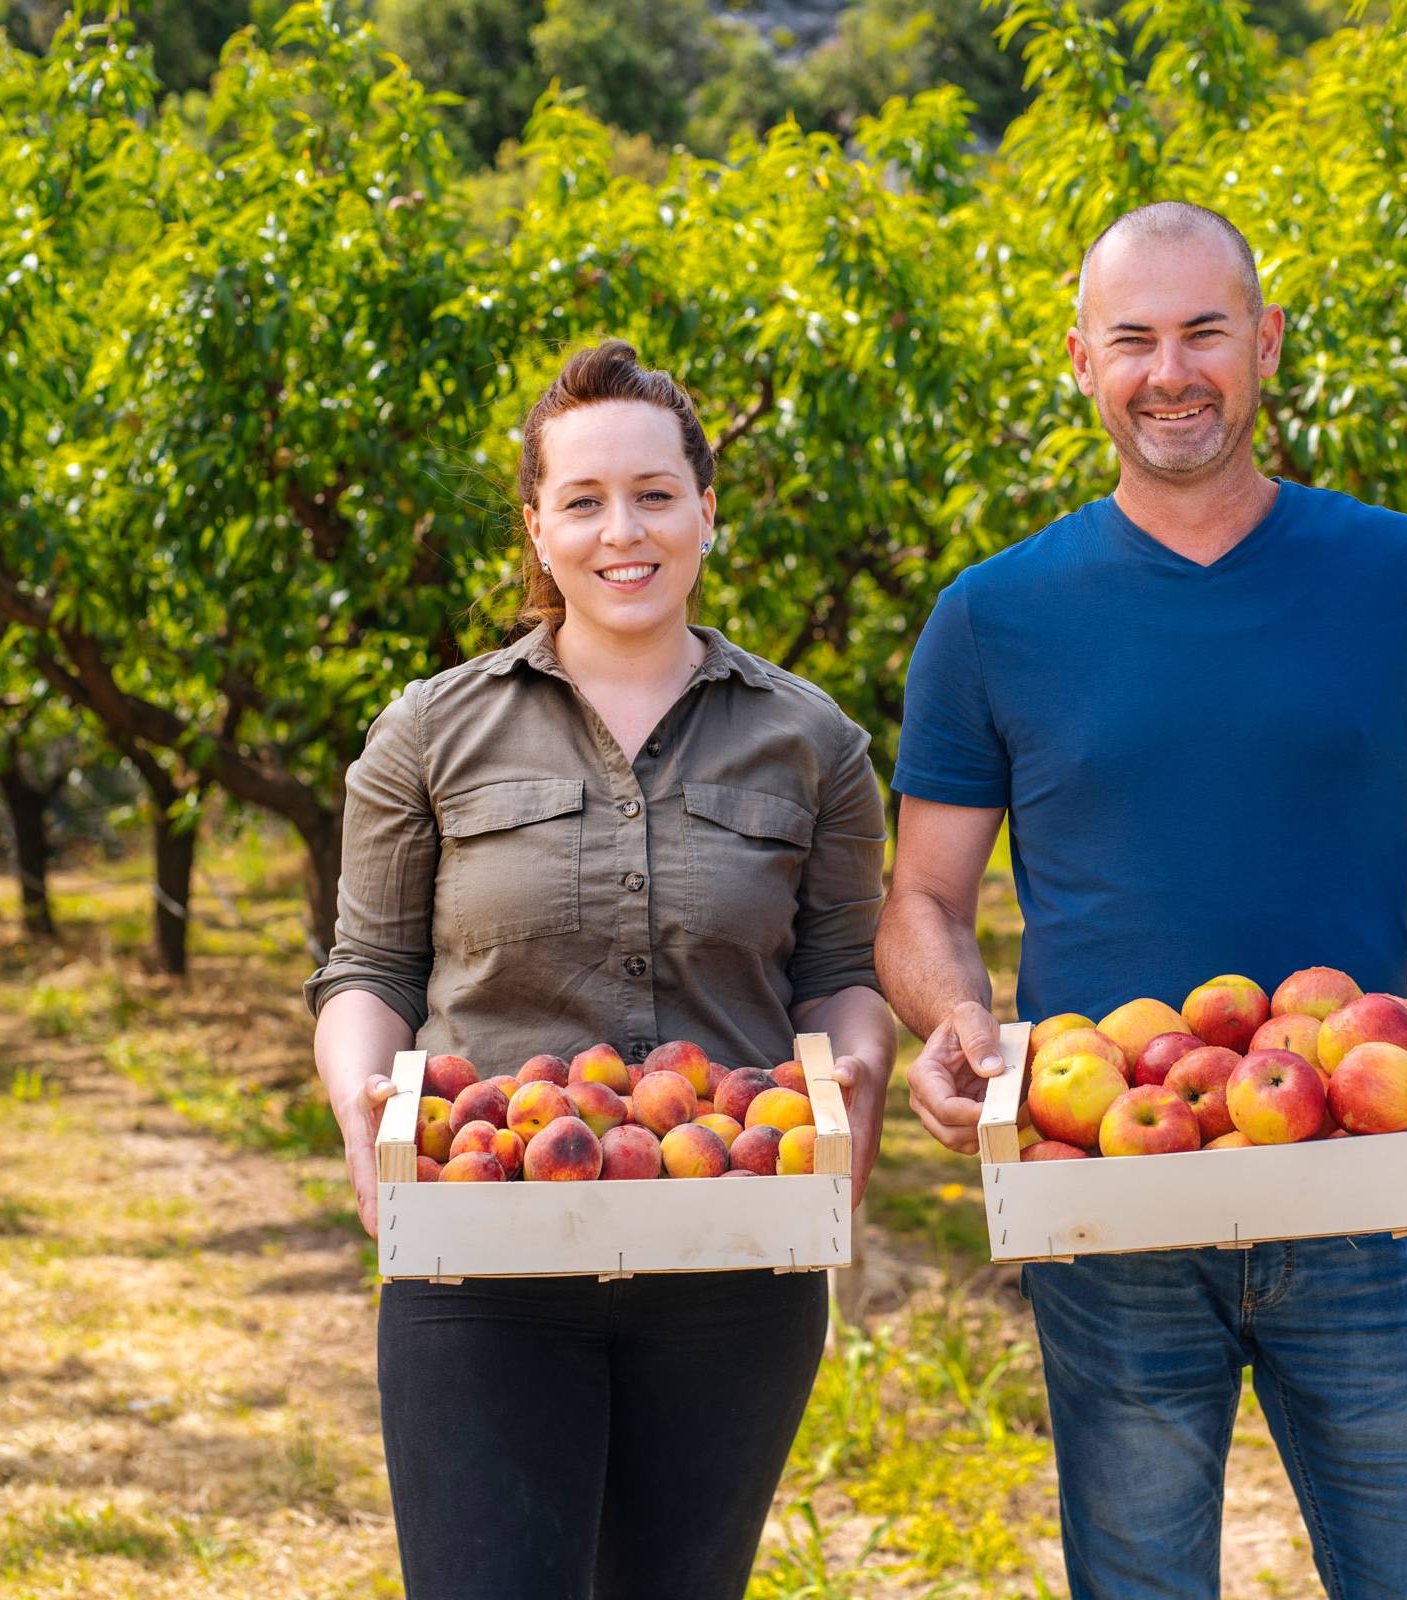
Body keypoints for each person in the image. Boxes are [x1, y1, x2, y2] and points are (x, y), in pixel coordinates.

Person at [877, 203, 1407, 1600]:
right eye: (1132, 339)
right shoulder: (993, 615)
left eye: (1204, 332)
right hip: (1107, 1190)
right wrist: (950, 1018)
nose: (1170, 371)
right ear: (1082, 360)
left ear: (1268, 343)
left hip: (1361, 1171)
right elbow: (921, 900)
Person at [304, 339, 896, 1599]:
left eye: (654, 494)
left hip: (733, 1246)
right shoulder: (431, 731)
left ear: (706, 512)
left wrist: (859, 1067)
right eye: (583, 500)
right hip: (482, 1245)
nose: (622, 531)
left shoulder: (813, 741)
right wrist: (363, 1100)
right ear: (538, 525)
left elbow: (841, 973)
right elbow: (369, 969)